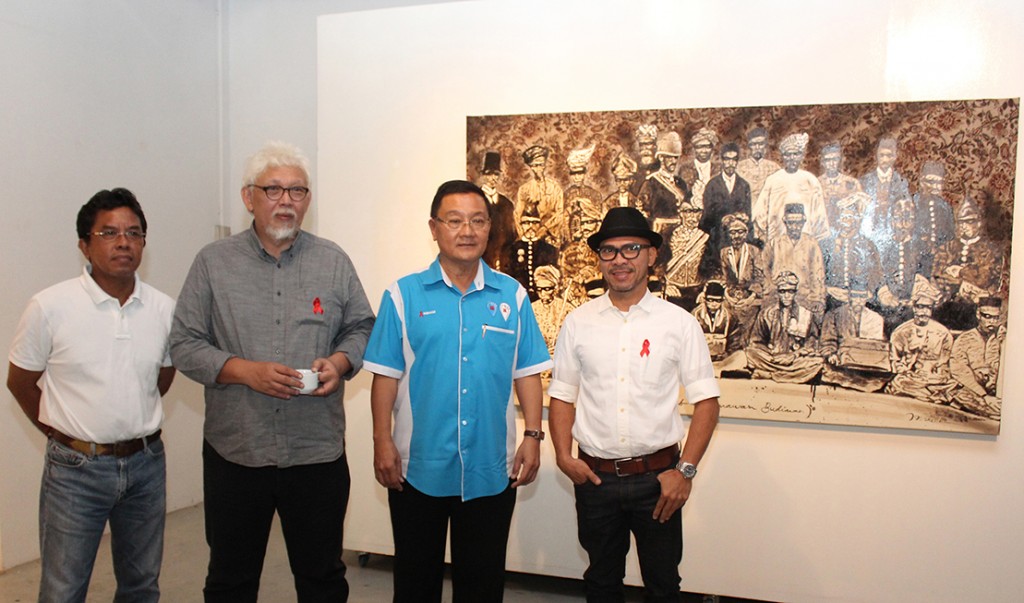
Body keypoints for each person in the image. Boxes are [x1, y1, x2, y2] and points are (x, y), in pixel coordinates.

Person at [169, 142, 375, 602]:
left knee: (322, 578)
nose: (287, 201)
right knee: (230, 580)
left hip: (315, 453)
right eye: (274, 189)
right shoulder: (213, 263)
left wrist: (339, 363)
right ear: (249, 197)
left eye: (298, 191)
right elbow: (183, 344)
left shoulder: (333, 260)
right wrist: (242, 371)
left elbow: (363, 326)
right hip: (238, 452)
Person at [364, 180, 551, 603]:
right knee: (415, 582)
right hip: (417, 468)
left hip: (490, 467)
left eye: (478, 221)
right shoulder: (403, 295)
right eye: (455, 221)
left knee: (482, 585)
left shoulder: (512, 296)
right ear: (434, 228)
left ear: (490, 228)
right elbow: (385, 376)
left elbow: (527, 373)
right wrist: (382, 441)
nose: (467, 231)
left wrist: (533, 436)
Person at [7, 188, 175, 602]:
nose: (123, 242)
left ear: (143, 244)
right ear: (84, 244)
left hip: (146, 466)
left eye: (133, 233)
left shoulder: (164, 309)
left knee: (141, 586)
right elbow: (21, 382)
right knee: (64, 589)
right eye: (109, 232)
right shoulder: (50, 306)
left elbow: (163, 375)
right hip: (75, 471)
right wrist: (63, 434)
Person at [548, 206, 720, 602]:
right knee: (601, 583)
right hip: (595, 478)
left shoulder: (678, 323)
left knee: (663, 586)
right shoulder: (578, 322)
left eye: (631, 249)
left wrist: (685, 472)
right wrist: (562, 455)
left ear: (651, 255)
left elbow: (707, 403)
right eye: (609, 251)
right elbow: (562, 395)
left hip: (658, 480)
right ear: (600, 259)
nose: (620, 260)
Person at [746, 271, 824, 384]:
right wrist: (772, 355)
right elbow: (756, 342)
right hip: (772, 358)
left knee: (817, 362)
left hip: (794, 360)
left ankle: (770, 375)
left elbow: (812, 345)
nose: (787, 296)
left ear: (795, 292)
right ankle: (787, 375)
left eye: (790, 292)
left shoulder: (806, 314)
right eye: (783, 292)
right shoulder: (767, 313)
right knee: (750, 352)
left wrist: (793, 355)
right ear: (778, 292)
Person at [752, 132, 830, 245]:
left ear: (802, 156)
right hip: (777, 239)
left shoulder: (810, 180)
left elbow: (819, 215)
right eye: (787, 155)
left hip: (805, 239)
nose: (792, 158)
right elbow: (760, 212)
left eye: (796, 154)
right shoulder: (773, 180)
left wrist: (816, 241)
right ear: (782, 157)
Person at [885, 279, 955, 403]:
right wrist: (906, 371)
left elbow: (944, 363)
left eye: (927, 307)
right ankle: (930, 395)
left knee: (953, 385)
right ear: (914, 308)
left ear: (932, 309)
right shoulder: (901, 332)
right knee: (900, 382)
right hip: (910, 378)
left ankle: (931, 393)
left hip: (934, 379)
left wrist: (935, 375)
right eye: (920, 307)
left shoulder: (943, 333)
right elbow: (895, 361)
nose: (923, 312)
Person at [699, 142, 752, 279]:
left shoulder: (744, 185)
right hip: (717, 239)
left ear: (737, 162)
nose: (730, 164)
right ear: (722, 160)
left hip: (737, 238)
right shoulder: (712, 185)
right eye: (727, 159)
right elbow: (706, 219)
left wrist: (741, 218)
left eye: (734, 160)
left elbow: (748, 215)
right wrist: (721, 219)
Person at [949, 297, 1004, 419]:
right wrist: (984, 396)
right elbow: (959, 371)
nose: (992, 322)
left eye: (996, 318)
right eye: (987, 316)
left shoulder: (1001, 338)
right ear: (978, 315)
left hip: (996, 391)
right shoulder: (965, 339)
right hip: (971, 389)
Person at [859, 137, 910, 246]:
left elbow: (906, 209)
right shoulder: (865, 181)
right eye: (882, 155)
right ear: (876, 156)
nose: (885, 160)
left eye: (889, 155)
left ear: (895, 157)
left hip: (892, 233)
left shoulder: (901, 182)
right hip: (869, 231)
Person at [516, 144, 565, 247]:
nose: (538, 169)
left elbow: (560, 213)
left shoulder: (555, 188)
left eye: (541, 165)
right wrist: (523, 235)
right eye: (535, 165)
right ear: (530, 167)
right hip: (531, 235)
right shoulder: (524, 189)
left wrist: (545, 228)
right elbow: (517, 214)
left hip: (552, 235)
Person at [478, 150, 518, 271]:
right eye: (489, 174)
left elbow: (511, 234)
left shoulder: (506, 204)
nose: (492, 178)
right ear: (483, 175)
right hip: (481, 256)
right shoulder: (475, 200)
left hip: (502, 258)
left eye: (496, 174)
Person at [817, 141, 863, 228]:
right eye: (828, 160)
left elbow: (860, 211)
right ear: (822, 162)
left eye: (835, 159)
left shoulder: (852, 183)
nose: (831, 164)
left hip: (846, 228)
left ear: (840, 160)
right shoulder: (816, 184)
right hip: (823, 228)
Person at [677, 127, 720, 210]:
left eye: (707, 146)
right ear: (694, 148)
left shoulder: (718, 169)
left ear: (712, 149)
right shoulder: (685, 169)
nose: (704, 150)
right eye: (700, 147)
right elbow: (681, 195)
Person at [736, 126, 781, 204]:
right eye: (753, 144)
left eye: (760, 144)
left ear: (765, 145)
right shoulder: (739, 167)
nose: (757, 147)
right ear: (749, 146)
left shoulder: (774, 168)